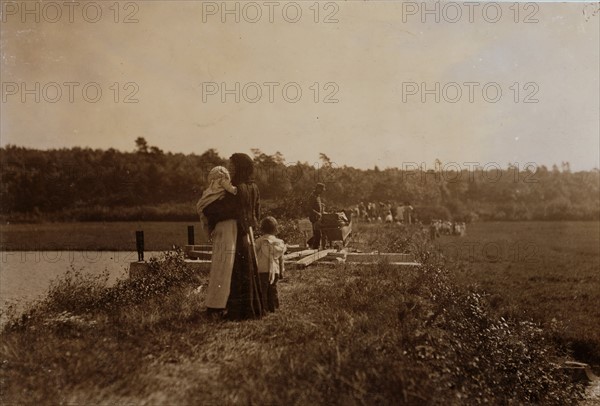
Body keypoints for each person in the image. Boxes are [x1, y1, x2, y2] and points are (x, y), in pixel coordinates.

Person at [202, 153, 263, 320]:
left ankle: (237, 311)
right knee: (248, 270)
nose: (230, 168)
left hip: (235, 234)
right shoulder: (254, 187)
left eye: (232, 165)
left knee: (235, 272)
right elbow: (256, 211)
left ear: (240, 167)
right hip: (246, 233)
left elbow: (226, 210)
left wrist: (207, 209)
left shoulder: (237, 187)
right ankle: (251, 308)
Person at [196, 166, 238, 243]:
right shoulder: (222, 181)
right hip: (212, 200)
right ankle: (210, 235)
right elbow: (230, 188)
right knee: (209, 223)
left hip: (204, 203)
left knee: (205, 223)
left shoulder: (212, 183)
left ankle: (208, 236)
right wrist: (235, 190)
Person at [255, 216, 286, 313]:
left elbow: (254, 253)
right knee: (273, 288)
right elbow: (281, 259)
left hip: (262, 269)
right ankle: (274, 307)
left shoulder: (259, 241)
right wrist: (281, 271)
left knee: (263, 289)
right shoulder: (279, 243)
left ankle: (264, 308)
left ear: (262, 229)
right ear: (275, 229)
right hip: (275, 270)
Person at [306, 183, 325, 249]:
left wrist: (321, 205)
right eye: (321, 190)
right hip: (314, 217)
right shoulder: (312, 196)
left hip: (317, 217)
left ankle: (311, 245)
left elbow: (316, 205)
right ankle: (314, 247)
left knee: (317, 234)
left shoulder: (317, 196)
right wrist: (317, 213)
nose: (322, 191)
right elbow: (309, 208)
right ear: (317, 188)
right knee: (318, 234)